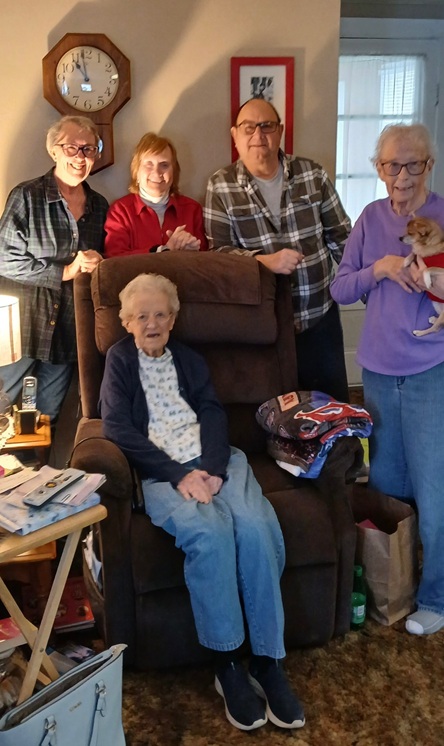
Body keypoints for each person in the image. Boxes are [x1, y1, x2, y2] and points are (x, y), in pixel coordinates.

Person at [99, 272, 305, 732]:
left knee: (255, 526)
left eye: (160, 314)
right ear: (127, 322)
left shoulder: (189, 359)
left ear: (173, 319)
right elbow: (116, 427)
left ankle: (268, 662)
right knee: (211, 534)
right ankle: (227, 663)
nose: (152, 324)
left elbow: (212, 411)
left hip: (216, 460)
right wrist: (180, 474)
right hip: (162, 472)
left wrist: (213, 468)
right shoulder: (119, 361)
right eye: (141, 316)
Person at [330, 123, 444, 636]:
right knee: (387, 486)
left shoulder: (443, 214)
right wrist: (379, 268)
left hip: (430, 372)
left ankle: (436, 597)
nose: (402, 176)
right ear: (379, 169)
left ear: (429, 166)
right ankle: (394, 584)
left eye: (413, 164)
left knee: (434, 489)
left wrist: (434, 280)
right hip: (377, 372)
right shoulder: (371, 219)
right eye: (392, 165)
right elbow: (340, 289)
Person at [205, 97, 351, 402]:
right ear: (235, 135)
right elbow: (218, 256)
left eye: (267, 126)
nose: (258, 135)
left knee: (332, 409)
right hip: (263, 327)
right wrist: (262, 262)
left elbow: (342, 238)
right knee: (276, 413)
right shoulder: (220, 186)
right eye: (248, 127)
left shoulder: (313, 174)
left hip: (319, 319)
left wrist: (367, 288)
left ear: (280, 131)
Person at [0, 115, 108, 423]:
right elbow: (4, 258)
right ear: (54, 151)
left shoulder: (100, 206)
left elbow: (106, 264)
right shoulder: (27, 196)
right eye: (71, 147)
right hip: (22, 328)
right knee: (1, 408)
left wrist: (98, 263)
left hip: (68, 332)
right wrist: (65, 271)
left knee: (45, 422)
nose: (80, 156)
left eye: (89, 149)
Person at [104, 132, 207, 257]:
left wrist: (192, 253)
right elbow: (114, 259)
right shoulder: (120, 211)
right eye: (149, 165)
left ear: (174, 172)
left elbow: (206, 259)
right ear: (136, 171)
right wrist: (163, 250)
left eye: (164, 165)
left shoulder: (193, 209)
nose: (157, 172)